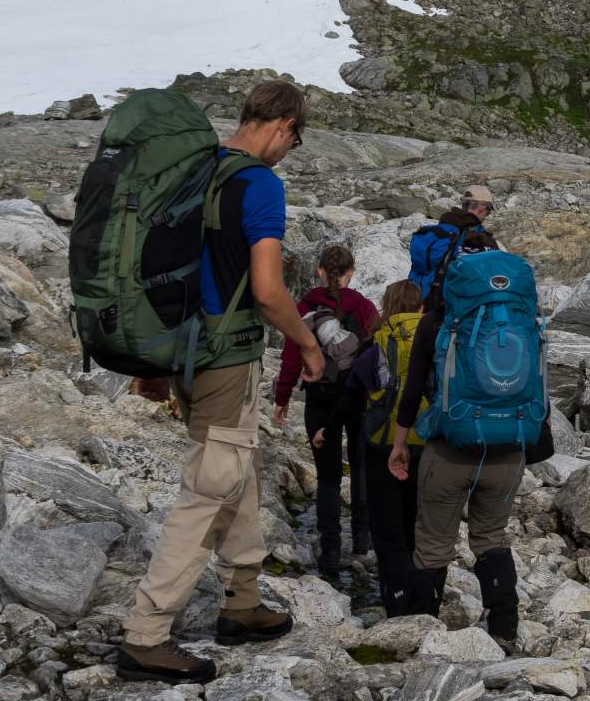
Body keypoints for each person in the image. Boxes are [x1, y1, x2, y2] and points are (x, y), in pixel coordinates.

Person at [117, 81, 325, 686]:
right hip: (226, 355)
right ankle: (146, 635)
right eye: (296, 138)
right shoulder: (258, 183)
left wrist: (154, 365)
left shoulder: (190, 170)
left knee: (237, 464)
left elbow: (155, 267)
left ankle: (242, 600)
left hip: (178, 349)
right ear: (283, 124)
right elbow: (266, 291)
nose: (290, 150)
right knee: (213, 482)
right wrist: (306, 343)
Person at [389, 230, 530, 646]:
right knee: (492, 538)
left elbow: (412, 391)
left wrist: (399, 444)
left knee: (433, 545)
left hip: (450, 447)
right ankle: (504, 630)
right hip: (508, 448)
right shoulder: (520, 318)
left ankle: (421, 633)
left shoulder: (437, 320)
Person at [274, 244, 378, 572]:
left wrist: (283, 397)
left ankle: (330, 550)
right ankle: (363, 540)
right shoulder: (363, 306)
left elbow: (292, 356)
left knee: (329, 476)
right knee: (361, 467)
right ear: (352, 273)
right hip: (358, 395)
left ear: (318, 270)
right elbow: (376, 352)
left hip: (320, 395)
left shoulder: (303, 307)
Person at [352, 280, 425, 617]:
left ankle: (396, 600)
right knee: (414, 520)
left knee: (386, 525)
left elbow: (353, 388)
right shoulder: (436, 340)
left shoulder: (377, 343)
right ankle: (420, 596)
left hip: (382, 442)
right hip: (426, 442)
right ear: (420, 308)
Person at [405, 186, 493, 292]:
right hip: (449, 303)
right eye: (489, 211)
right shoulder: (477, 236)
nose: (487, 215)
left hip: (419, 298)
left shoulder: (442, 229)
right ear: (482, 207)